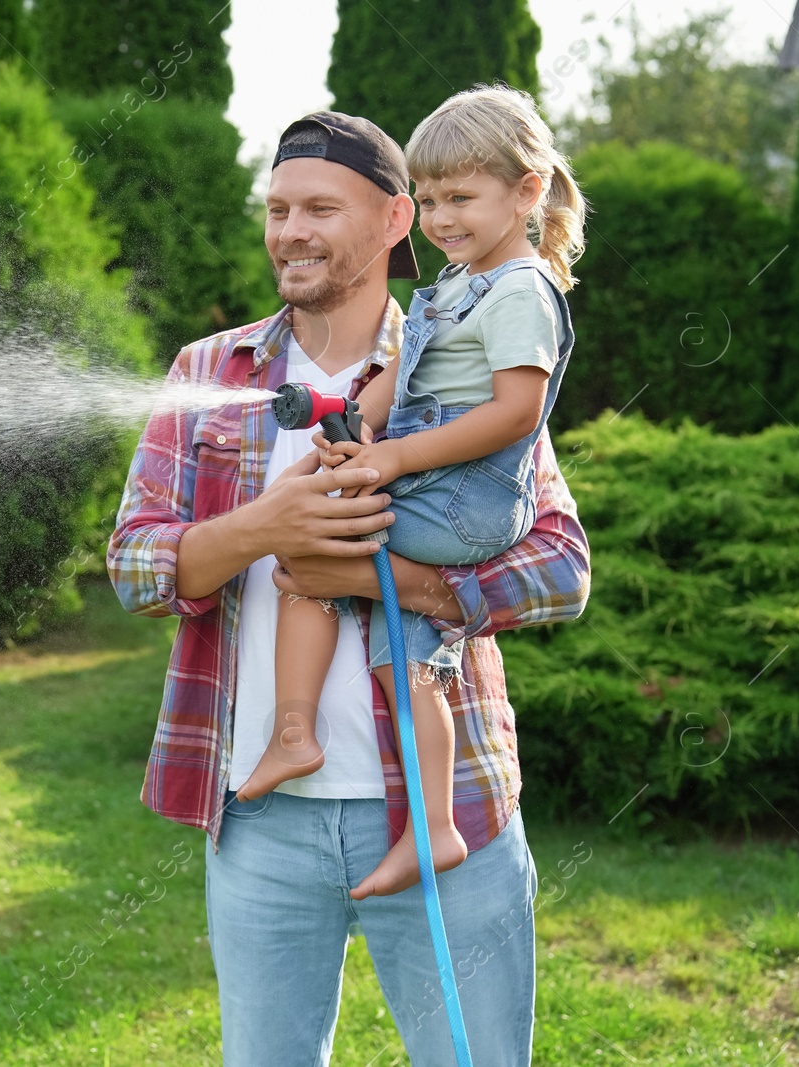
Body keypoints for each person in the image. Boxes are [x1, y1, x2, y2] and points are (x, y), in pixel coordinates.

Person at [106, 105, 590, 1067]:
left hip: (449, 805)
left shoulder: (463, 356)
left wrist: (401, 583)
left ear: (397, 219)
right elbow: (133, 565)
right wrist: (266, 529)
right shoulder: (208, 372)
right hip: (261, 819)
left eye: (320, 207)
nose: (291, 230)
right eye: (278, 207)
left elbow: (560, 568)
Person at [234, 85, 586, 904]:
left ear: (527, 192)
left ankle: (293, 732)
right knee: (410, 660)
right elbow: (401, 376)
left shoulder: (521, 289)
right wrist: (355, 429)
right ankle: (436, 827)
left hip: (466, 503)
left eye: (460, 197)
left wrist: (388, 464)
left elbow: (515, 412)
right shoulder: (463, 286)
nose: (440, 217)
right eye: (429, 199)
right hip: (437, 485)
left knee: (312, 543)